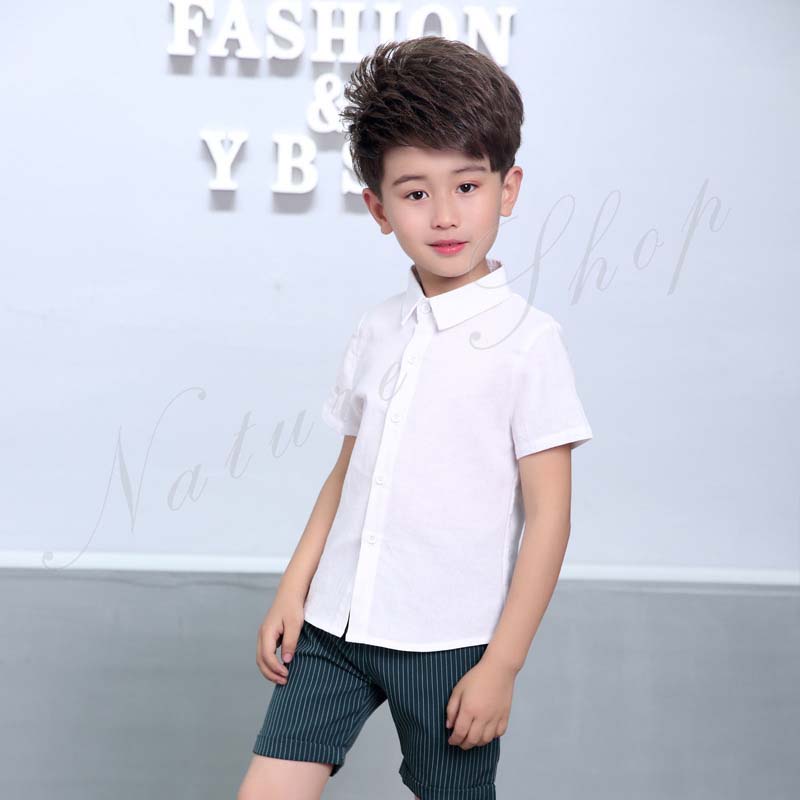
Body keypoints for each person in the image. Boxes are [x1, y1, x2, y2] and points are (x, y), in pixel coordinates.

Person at [238, 35, 593, 800]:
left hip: (449, 645)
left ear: (508, 188)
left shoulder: (530, 345)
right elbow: (347, 475)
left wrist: (502, 665)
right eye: (415, 193)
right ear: (378, 207)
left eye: (467, 185)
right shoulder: (376, 329)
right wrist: (294, 589)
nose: (445, 215)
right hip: (335, 626)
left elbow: (550, 519)